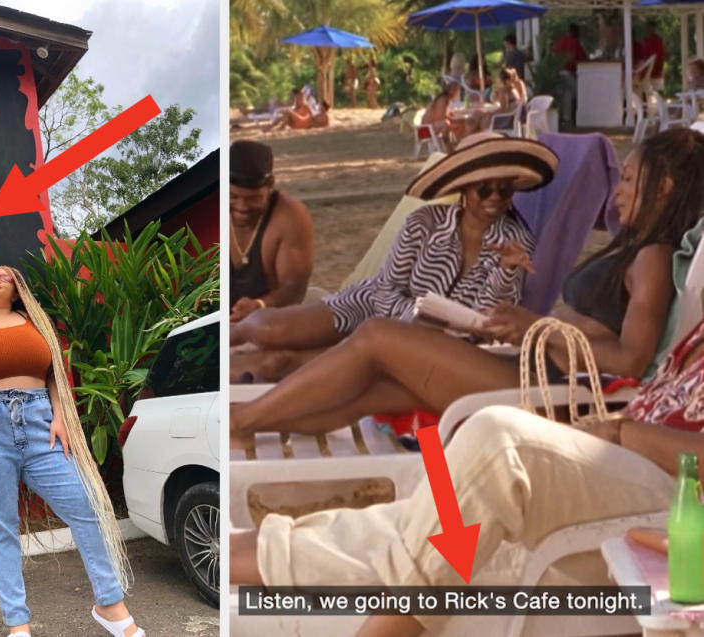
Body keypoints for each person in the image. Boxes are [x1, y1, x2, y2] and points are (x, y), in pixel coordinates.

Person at [232, 308, 704, 637]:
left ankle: (386, 628)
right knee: (429, 529)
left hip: (677, 501)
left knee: (498, 442)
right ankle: (230, 554)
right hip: (628, 470)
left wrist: (621, 433)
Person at [231, 127, 704, 441]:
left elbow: (632, 362)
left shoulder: (653, 257)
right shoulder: (637, 249)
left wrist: (533, 325)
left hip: (554, 391)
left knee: (376, 340)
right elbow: (385, 288)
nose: (616, 191)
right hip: (532, 368)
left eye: (626, 178)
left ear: (662, 187)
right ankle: (249, 425)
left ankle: (241, 422)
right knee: (373, 389)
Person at [0, 267, 144, 637]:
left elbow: (53, 373)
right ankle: (18, 626)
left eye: (5, 276)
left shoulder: (36, 324)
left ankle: (109, 605)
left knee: (87, 506)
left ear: (17, 290)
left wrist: (60, 416)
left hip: (42, 426)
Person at [231, 133, 553, 382]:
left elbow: (491, 322)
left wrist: (506, 271)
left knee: (279, 362)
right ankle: (216, 341)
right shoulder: (425, 222)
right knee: (270, 332)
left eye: (504, 190)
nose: (494, 199)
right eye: (484, 189)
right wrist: (413, 321)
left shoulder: (515, 242)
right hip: (374, 306)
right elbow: (385, 289)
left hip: (433, 348)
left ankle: (225, 404)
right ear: (465, 189)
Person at [230, 140, 314, 323]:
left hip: (271, 316)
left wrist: (260, 305)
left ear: (271, 185)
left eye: (254, 199)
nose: (241, 207)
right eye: (232, 197)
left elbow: (294, 289)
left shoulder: (289, 215)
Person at [554, 23, 588, 127]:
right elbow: (572, 57)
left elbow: (555, 56)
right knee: (570, 96)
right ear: (574, 32)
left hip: (558, 74)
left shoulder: (560, 41)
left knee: (561, 97)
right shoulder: (573, 42)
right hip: (569, 73)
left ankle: (559, 119)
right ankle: (567, 120)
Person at [421, 82, 460, 149]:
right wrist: (458, 120)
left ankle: (456, 144)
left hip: (431, 127)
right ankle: (449, 147)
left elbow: (446, 114)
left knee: (456, 124)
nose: (456, 93)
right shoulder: (443, 99)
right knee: (446, 123)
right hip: (425, 130)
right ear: (451, 90)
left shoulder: (445, 99)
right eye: (456, 90)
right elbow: (442, 116)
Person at [640, 20, 665, 92]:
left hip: (654, 73)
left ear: (653, 28)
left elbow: (658, 57)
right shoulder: (645, 41)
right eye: (646, 28)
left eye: (649, 28)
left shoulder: (657, 41)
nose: (647, 30)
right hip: (644, 73)